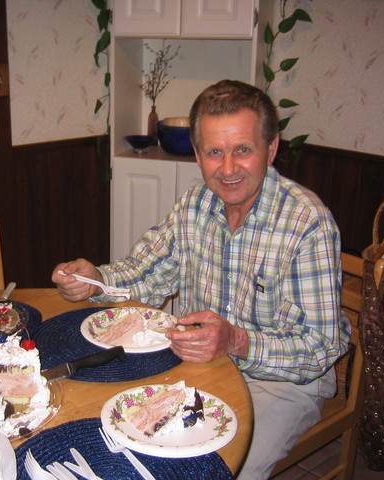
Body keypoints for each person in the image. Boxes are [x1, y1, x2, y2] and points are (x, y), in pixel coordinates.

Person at [52, 79, 349, 479]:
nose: (228, 169)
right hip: (198, 362)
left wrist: (236, 341)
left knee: (215, 469)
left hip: (281, 382)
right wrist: (97, 280)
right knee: (116, 435)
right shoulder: (195, 203)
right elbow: (146, 272)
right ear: (197, 154)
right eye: (214, 152)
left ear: (271, 148)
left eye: (243, 150)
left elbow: (319, 348)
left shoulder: (307, 223)